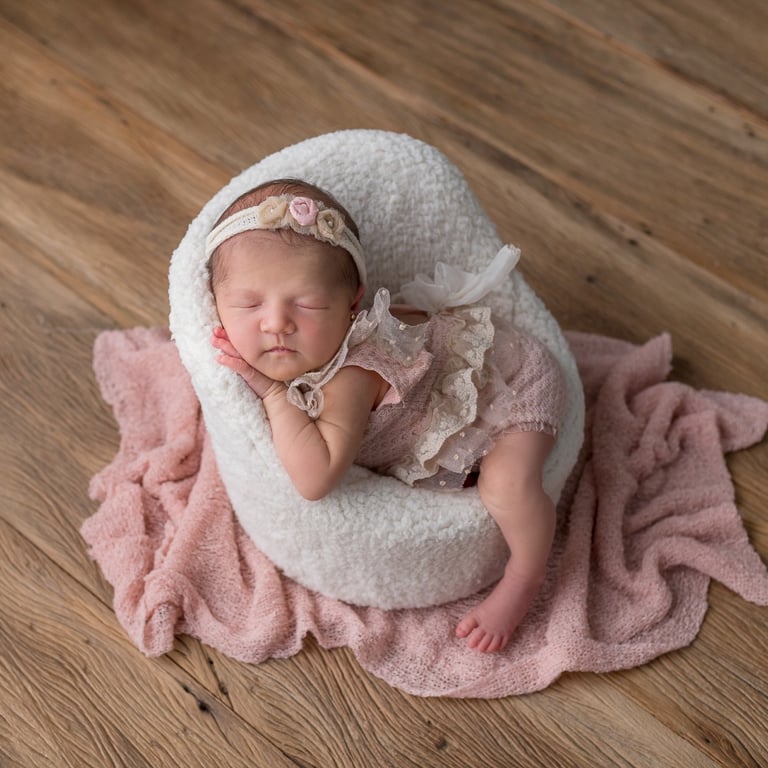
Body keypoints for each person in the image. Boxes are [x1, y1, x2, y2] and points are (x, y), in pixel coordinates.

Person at [207, 178, 566, 653]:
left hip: (511, 385)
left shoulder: (351, 374)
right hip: (460, 384)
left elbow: (314, 479)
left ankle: (524, 575)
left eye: (307, 304)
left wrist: (274, 393)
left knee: (505, 486)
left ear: (352, 304)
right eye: (249, 304)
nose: (276, 323)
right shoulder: (302, 348)